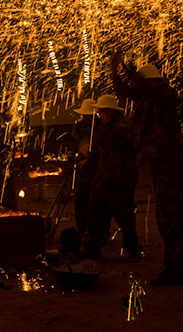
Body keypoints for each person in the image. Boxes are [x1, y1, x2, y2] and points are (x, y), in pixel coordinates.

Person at [110, 51, 183, 286]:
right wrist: (115, 70)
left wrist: (128, 68)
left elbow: (143, 89)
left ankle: (174, 268)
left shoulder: (162, 93)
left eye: (137, 81)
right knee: (176, 210)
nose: (134, 86)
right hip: (161, 160)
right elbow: (126, 92)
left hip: (167, 161)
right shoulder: (148, 97)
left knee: (166, 213)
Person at [81, 94, 142, 259]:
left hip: (120, 180)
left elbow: (115, 143)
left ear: (112, 112)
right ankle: (91, 248)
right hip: (104, 178)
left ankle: (133, 248)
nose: (100, 115)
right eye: (99, 112)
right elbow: (102, 150)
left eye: (103, 112)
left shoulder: (123, 128)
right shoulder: (106, 127)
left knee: (124, 216)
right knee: (95, 214)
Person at [71, 98, 99, 237]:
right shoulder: (79, 127)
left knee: (95, 202)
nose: (86, 117)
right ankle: (82, 228)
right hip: (83, 170)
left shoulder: (100, 127)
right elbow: (74, 143)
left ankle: (96, 230)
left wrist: (90, 159)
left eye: (89, 115)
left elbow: (102, 149)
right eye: (85, 115)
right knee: (80, 200)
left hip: (97, 170)